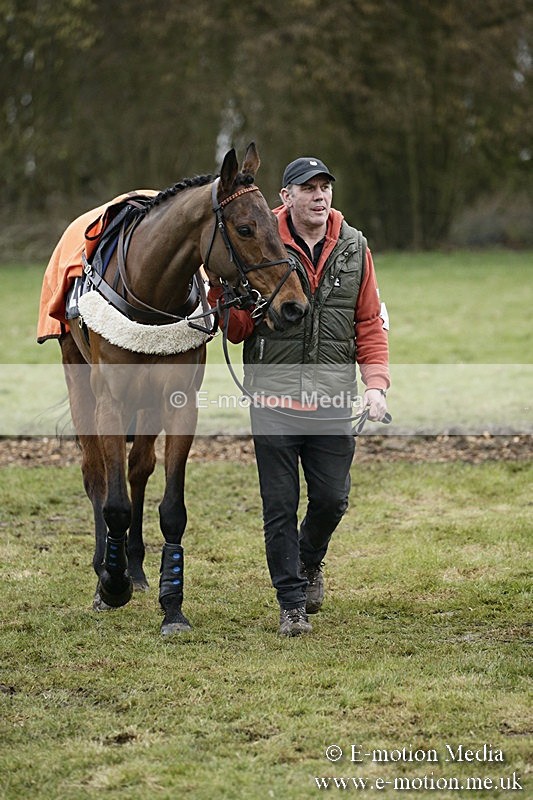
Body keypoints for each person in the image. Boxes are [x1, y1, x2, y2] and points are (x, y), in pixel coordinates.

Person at [208, 156, 390, 636]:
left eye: (325, 186)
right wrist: (223, 303)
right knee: (280, 506)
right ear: (285, 197)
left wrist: (375, 386)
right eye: (307, 187)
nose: (319, 195)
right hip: (272, 400)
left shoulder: (355, 248)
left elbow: (369, 321)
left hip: (332, 400)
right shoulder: (261, 244)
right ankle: (290, 603)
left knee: (331, 499)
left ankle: (310, 562)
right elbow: (239, 330)